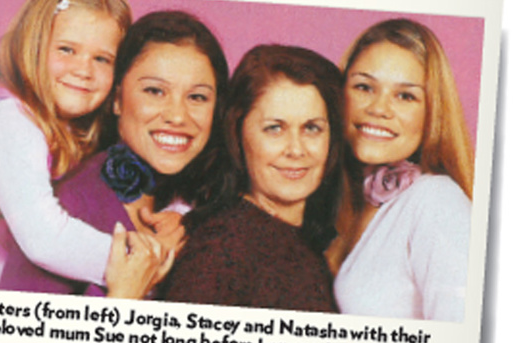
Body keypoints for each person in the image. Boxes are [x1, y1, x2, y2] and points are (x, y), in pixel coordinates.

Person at [0, 0, 141, 291]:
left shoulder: (65, 127)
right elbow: (47, 239)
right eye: (66, 49)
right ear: (32, 46)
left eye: (102, 59)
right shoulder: (7, 119)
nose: (83, 69)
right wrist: (142, 260)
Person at [53, 10, 230, 298]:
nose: (177, 115)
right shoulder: (69, 207)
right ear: (117, 99)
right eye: (154, 91)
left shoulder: (206, 206)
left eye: (197, 97)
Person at [160, 44, 343, 312]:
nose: (295, 149)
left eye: (312, 128)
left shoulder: (308, 243)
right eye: (274, 128)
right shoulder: (222, 249)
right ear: (238, 134)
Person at [326, 18, 474, 321]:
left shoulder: (436, 201)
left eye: (405, 96)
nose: (379, 109)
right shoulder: (345, 204)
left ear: (432, 111)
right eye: (364, 87)